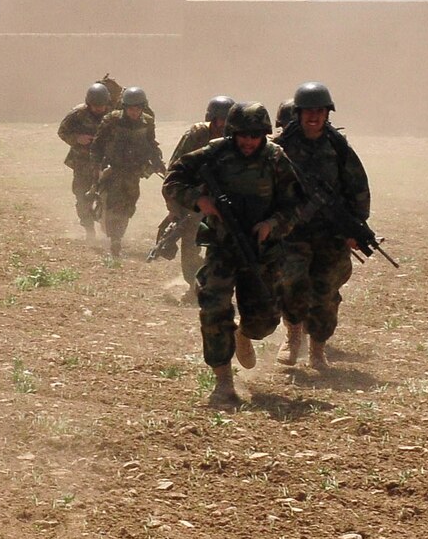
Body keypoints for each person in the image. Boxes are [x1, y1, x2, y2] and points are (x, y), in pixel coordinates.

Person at [164, 102, 306, 408]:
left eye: (255, 135)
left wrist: (272, 223)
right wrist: (199, 200)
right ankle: (223, 383)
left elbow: (296, 204)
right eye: (243, 134)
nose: (249, 141)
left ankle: (243, 334)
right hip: (221, 246)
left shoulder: (275, 158)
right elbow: (173, 180)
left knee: (265, 320)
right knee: (213, 308)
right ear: (232, 132)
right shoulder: (213, 153)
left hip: (260, 250)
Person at [272, 81, 371, 370]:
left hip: (330, 233)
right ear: (298, 113)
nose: (314, 117)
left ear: (328, 113)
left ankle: (317, 349)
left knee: (326, 292)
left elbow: (358, 188)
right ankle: (292, 336)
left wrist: (355, 228)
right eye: (308, 111)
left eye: (320, 111)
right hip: (292, 231)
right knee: (291, 283)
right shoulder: (280, 147)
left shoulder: (338, 148)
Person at [159, 96, 236, 288]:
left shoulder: (239, 138)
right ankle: (195, 284)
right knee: (191, 237)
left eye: (227, 120)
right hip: (196, 196)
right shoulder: (197, 135)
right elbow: (175, 171)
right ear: (212, 119)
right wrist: (175, 207)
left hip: (227, 197)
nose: (223, 125)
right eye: (220, 120)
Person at [88, 87, 164, 259]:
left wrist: (158, 162)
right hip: (114, 168)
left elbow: (151, 143)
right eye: (130, 108)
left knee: (130, 203)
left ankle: (115, 230)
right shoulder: (112, 120)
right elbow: (98, 144)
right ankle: (115, 239)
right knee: (115, 202)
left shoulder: (147, 122)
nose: (134, 112)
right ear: (124, 107)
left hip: (134, 170)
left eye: (138, 108)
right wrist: (96, 165)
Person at [57, 82, 113, 240]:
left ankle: (110, 227)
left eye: (101, 106)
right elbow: (62, 131)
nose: (99, 109)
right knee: (82, 197)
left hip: (105, 162)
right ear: (89, 104)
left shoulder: (112, 115)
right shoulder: (77, 113)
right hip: (82, 163)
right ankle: (89, 228)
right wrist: (77, 138)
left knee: (110, 196)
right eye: (95, 106)